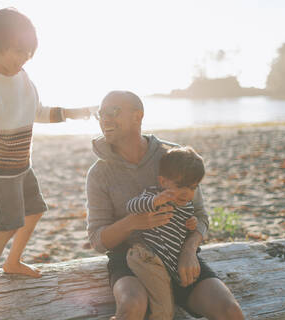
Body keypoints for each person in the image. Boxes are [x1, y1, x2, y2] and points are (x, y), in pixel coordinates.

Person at [0, 8, 92, 319]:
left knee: (35, 210)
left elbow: (38, 112)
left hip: (22, 163)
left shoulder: (24, 77)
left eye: (27, 52)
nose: (23, 57)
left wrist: (73, 113)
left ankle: (13, 262)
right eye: (17, 50)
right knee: (7, 225)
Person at [86, 90, 244, 319]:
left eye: (113, 112)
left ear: (137, 116)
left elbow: (200, 216)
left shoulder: (172, 155)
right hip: (130, 261)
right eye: (101, 114)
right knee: (131, 307)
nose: (105, 119)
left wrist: (190, 251)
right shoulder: (99, 173)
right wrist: (132, 222)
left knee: (230, 311)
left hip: (178, 255)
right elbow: (98, 241)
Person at [125, 146, 204, 319]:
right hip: (147, 256)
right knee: (164, 311)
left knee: (169, 301)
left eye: (193, 187)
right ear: (163, 182)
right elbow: (131, 206)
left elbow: (182, 231)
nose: (186, 192)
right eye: (180, 186)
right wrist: (154, 201)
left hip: (165, 262)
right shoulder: (154, 195)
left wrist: (192, 225)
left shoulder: (188, 206)